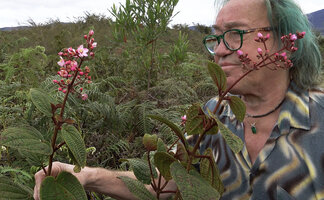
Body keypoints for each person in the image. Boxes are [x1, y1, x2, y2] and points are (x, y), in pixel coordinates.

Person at [34, 0, 323, 199]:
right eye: (215, 37)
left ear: (284, 41)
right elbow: (160, 186)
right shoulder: (212, 115)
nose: (220, 50)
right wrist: (85, 175)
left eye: (234, 34)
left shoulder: (318, 118)